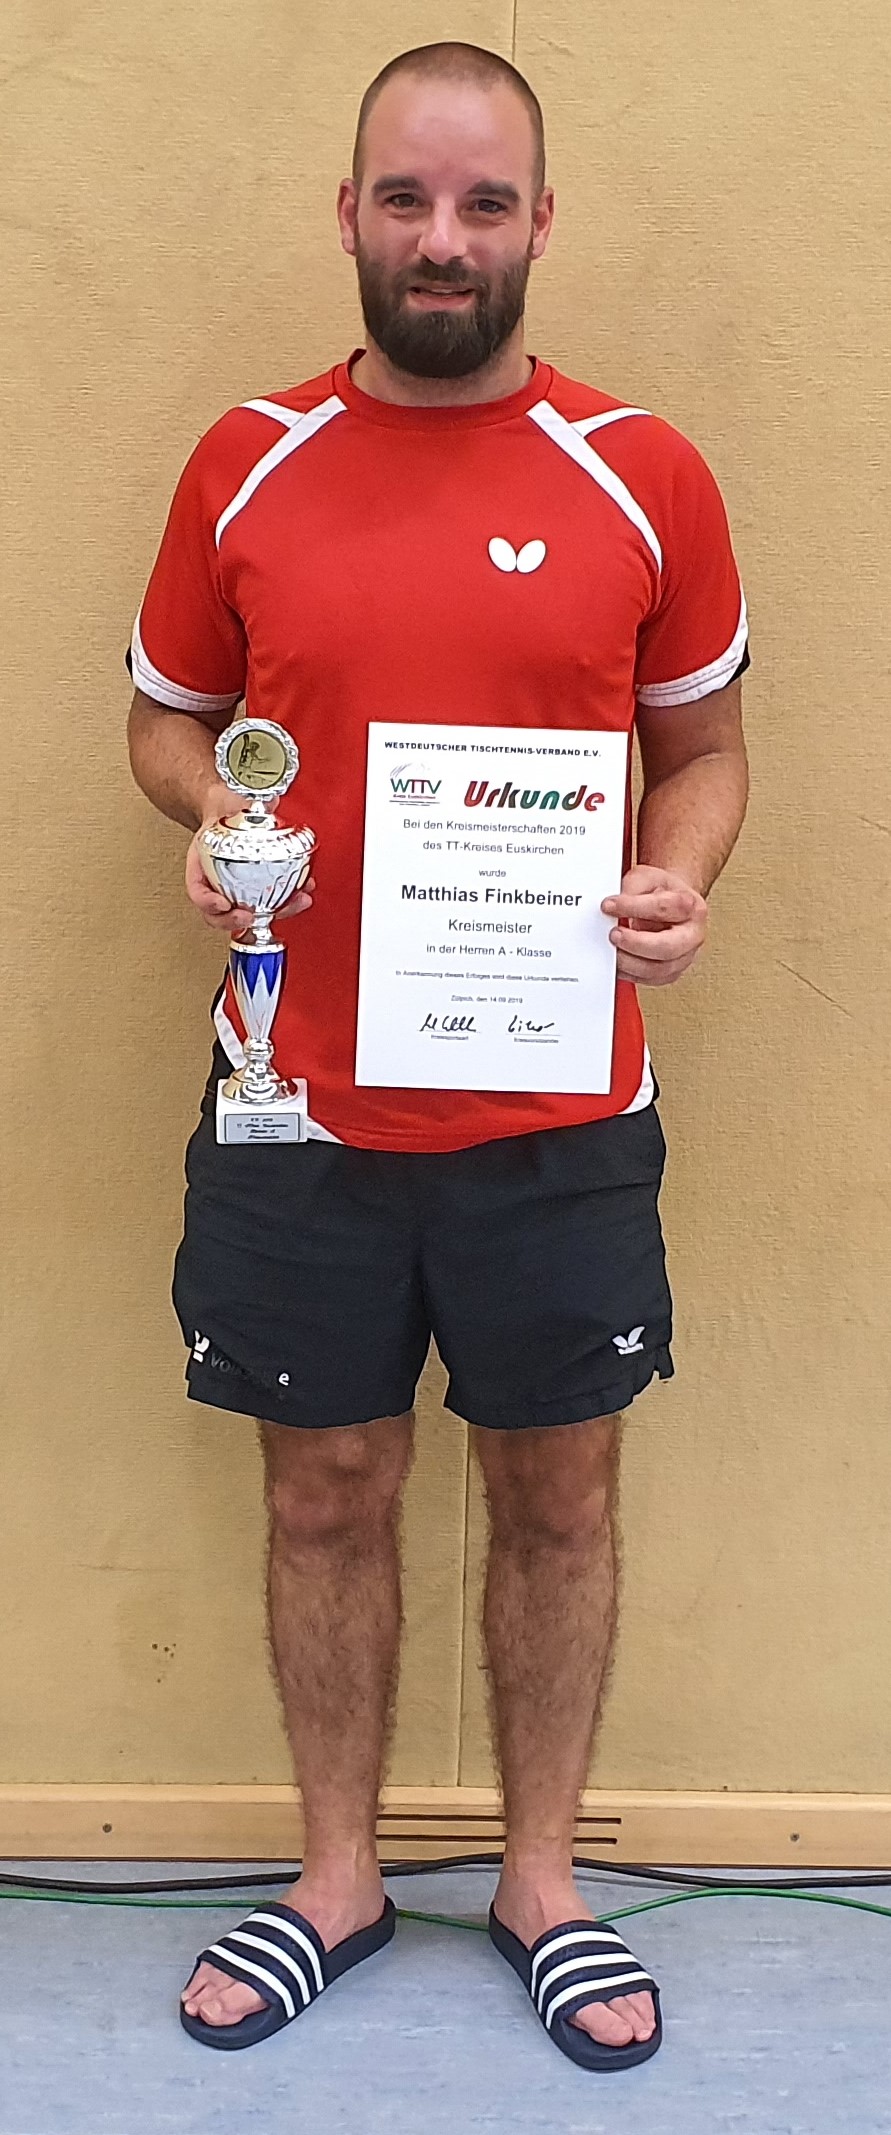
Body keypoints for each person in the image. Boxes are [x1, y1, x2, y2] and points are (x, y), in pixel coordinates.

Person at [126, 40, 749, 2069]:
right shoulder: (245, 460)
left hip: (556, 1098)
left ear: (539, 221)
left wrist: (674, 879)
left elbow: (704, 753)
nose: (443, 239)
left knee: (559, 1490)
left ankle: (543, 1884)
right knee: (323, 1489)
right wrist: (209, 818)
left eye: (483, 202)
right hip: (292, 1093)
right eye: (406, 197)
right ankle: (337, 1881)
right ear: (349, 214)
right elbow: (166, 719)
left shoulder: (643, 473)